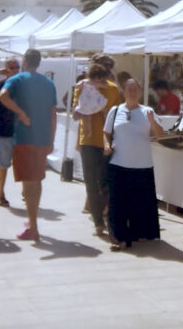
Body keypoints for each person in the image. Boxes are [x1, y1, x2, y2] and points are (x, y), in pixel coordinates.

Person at [0, 48, 57, 241]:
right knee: (37, 181)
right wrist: (52, 139)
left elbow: (2, 95)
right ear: (39, 62)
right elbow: (53, 113)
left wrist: (21, 113)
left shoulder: (17, 79)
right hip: (42, 138)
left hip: (24, 137)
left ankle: (33, 227)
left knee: (28, 183)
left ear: (24, 61)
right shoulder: (48, 83)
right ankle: (32, 222)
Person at [104, 79, 164, 251]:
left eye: (135, 89)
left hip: (142, 165)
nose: (132, 92)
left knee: (140, 202)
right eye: (129, 89)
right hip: (118, 163)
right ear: (123, 91)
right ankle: (119, 237)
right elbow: (106, 133)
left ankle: (140, 233)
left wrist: (152, 122)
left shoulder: (148, 111)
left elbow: (160, 135)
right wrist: (107, 145)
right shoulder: (115, 111)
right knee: (118, 203)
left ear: (140, 92)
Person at [72, 61, 121, 235]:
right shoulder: (81, 87)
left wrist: (99, 102)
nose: (97, 80)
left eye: (101, 77)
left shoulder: (113, 89)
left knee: (105, 182)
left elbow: (112, 114)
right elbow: (78, 112)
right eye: (94, 77)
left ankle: (105, 214)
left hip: (107, 140)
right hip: (88, 140)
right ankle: (98, 222)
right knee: (91, 182)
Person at [0, 58, 21, 207]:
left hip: (21, 131)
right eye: (11, 67)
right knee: (3, 164)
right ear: (5, 70)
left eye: (16, 67)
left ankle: (25, 192)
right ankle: (0, 194)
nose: (14, 70)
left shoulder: (24, 88)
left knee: (23, 164)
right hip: (3, 131)